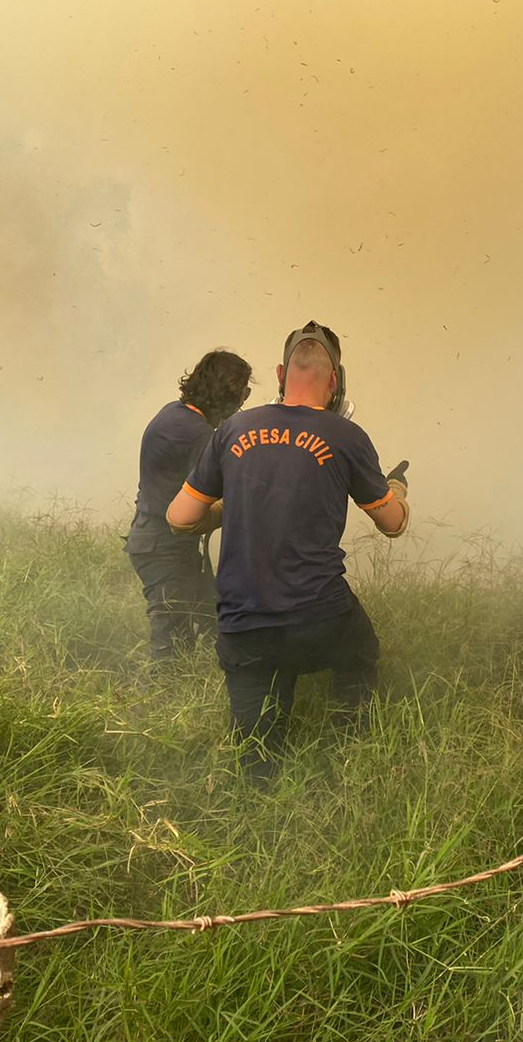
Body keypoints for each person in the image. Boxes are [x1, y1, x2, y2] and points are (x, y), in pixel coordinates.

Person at [166, 321, 409, 776]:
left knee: (255, 749)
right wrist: (395, 487)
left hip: (243, 622)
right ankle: (345, 753)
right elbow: (392, 524)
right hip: (319, 619)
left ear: (281, 373)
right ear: (335, 380)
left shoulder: (234, 429)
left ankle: (258, 792)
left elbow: (180, 518)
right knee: (360, 655)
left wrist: (225, 509)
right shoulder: (346, 436)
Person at [125, 348, 252, 659]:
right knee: (170, 648)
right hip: (164, 548)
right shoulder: (197, 434)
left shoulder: (173, 413)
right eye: (243, 391)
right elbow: (227, 489)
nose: (245, 401)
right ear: (228, 392)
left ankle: (195, 685)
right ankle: (162, 699)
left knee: (209, 618)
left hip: (157, 542)